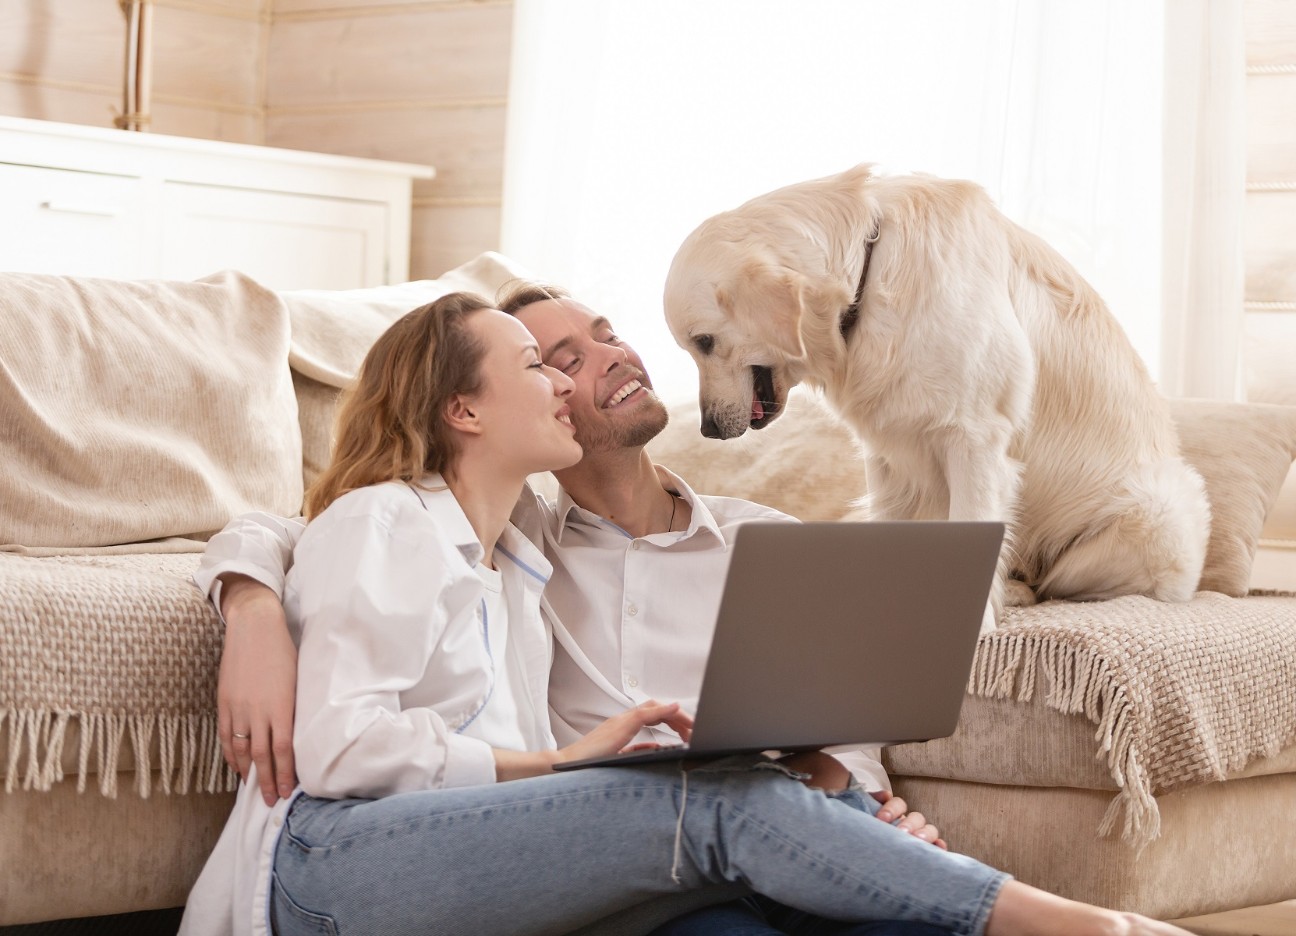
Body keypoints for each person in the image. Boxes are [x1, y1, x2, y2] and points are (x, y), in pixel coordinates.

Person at [181, 290, 1194, 936]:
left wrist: (846, 791)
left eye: (594, 340)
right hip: (342, 859)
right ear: (469, 410)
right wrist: (251, 602)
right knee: (717, 810)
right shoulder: (418, 523)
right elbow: (334, 684)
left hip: (537, 851)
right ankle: (1083, 927)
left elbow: (836, 722)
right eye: (545, 363)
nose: (582, 371)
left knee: (830, 872)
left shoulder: (515, 560)